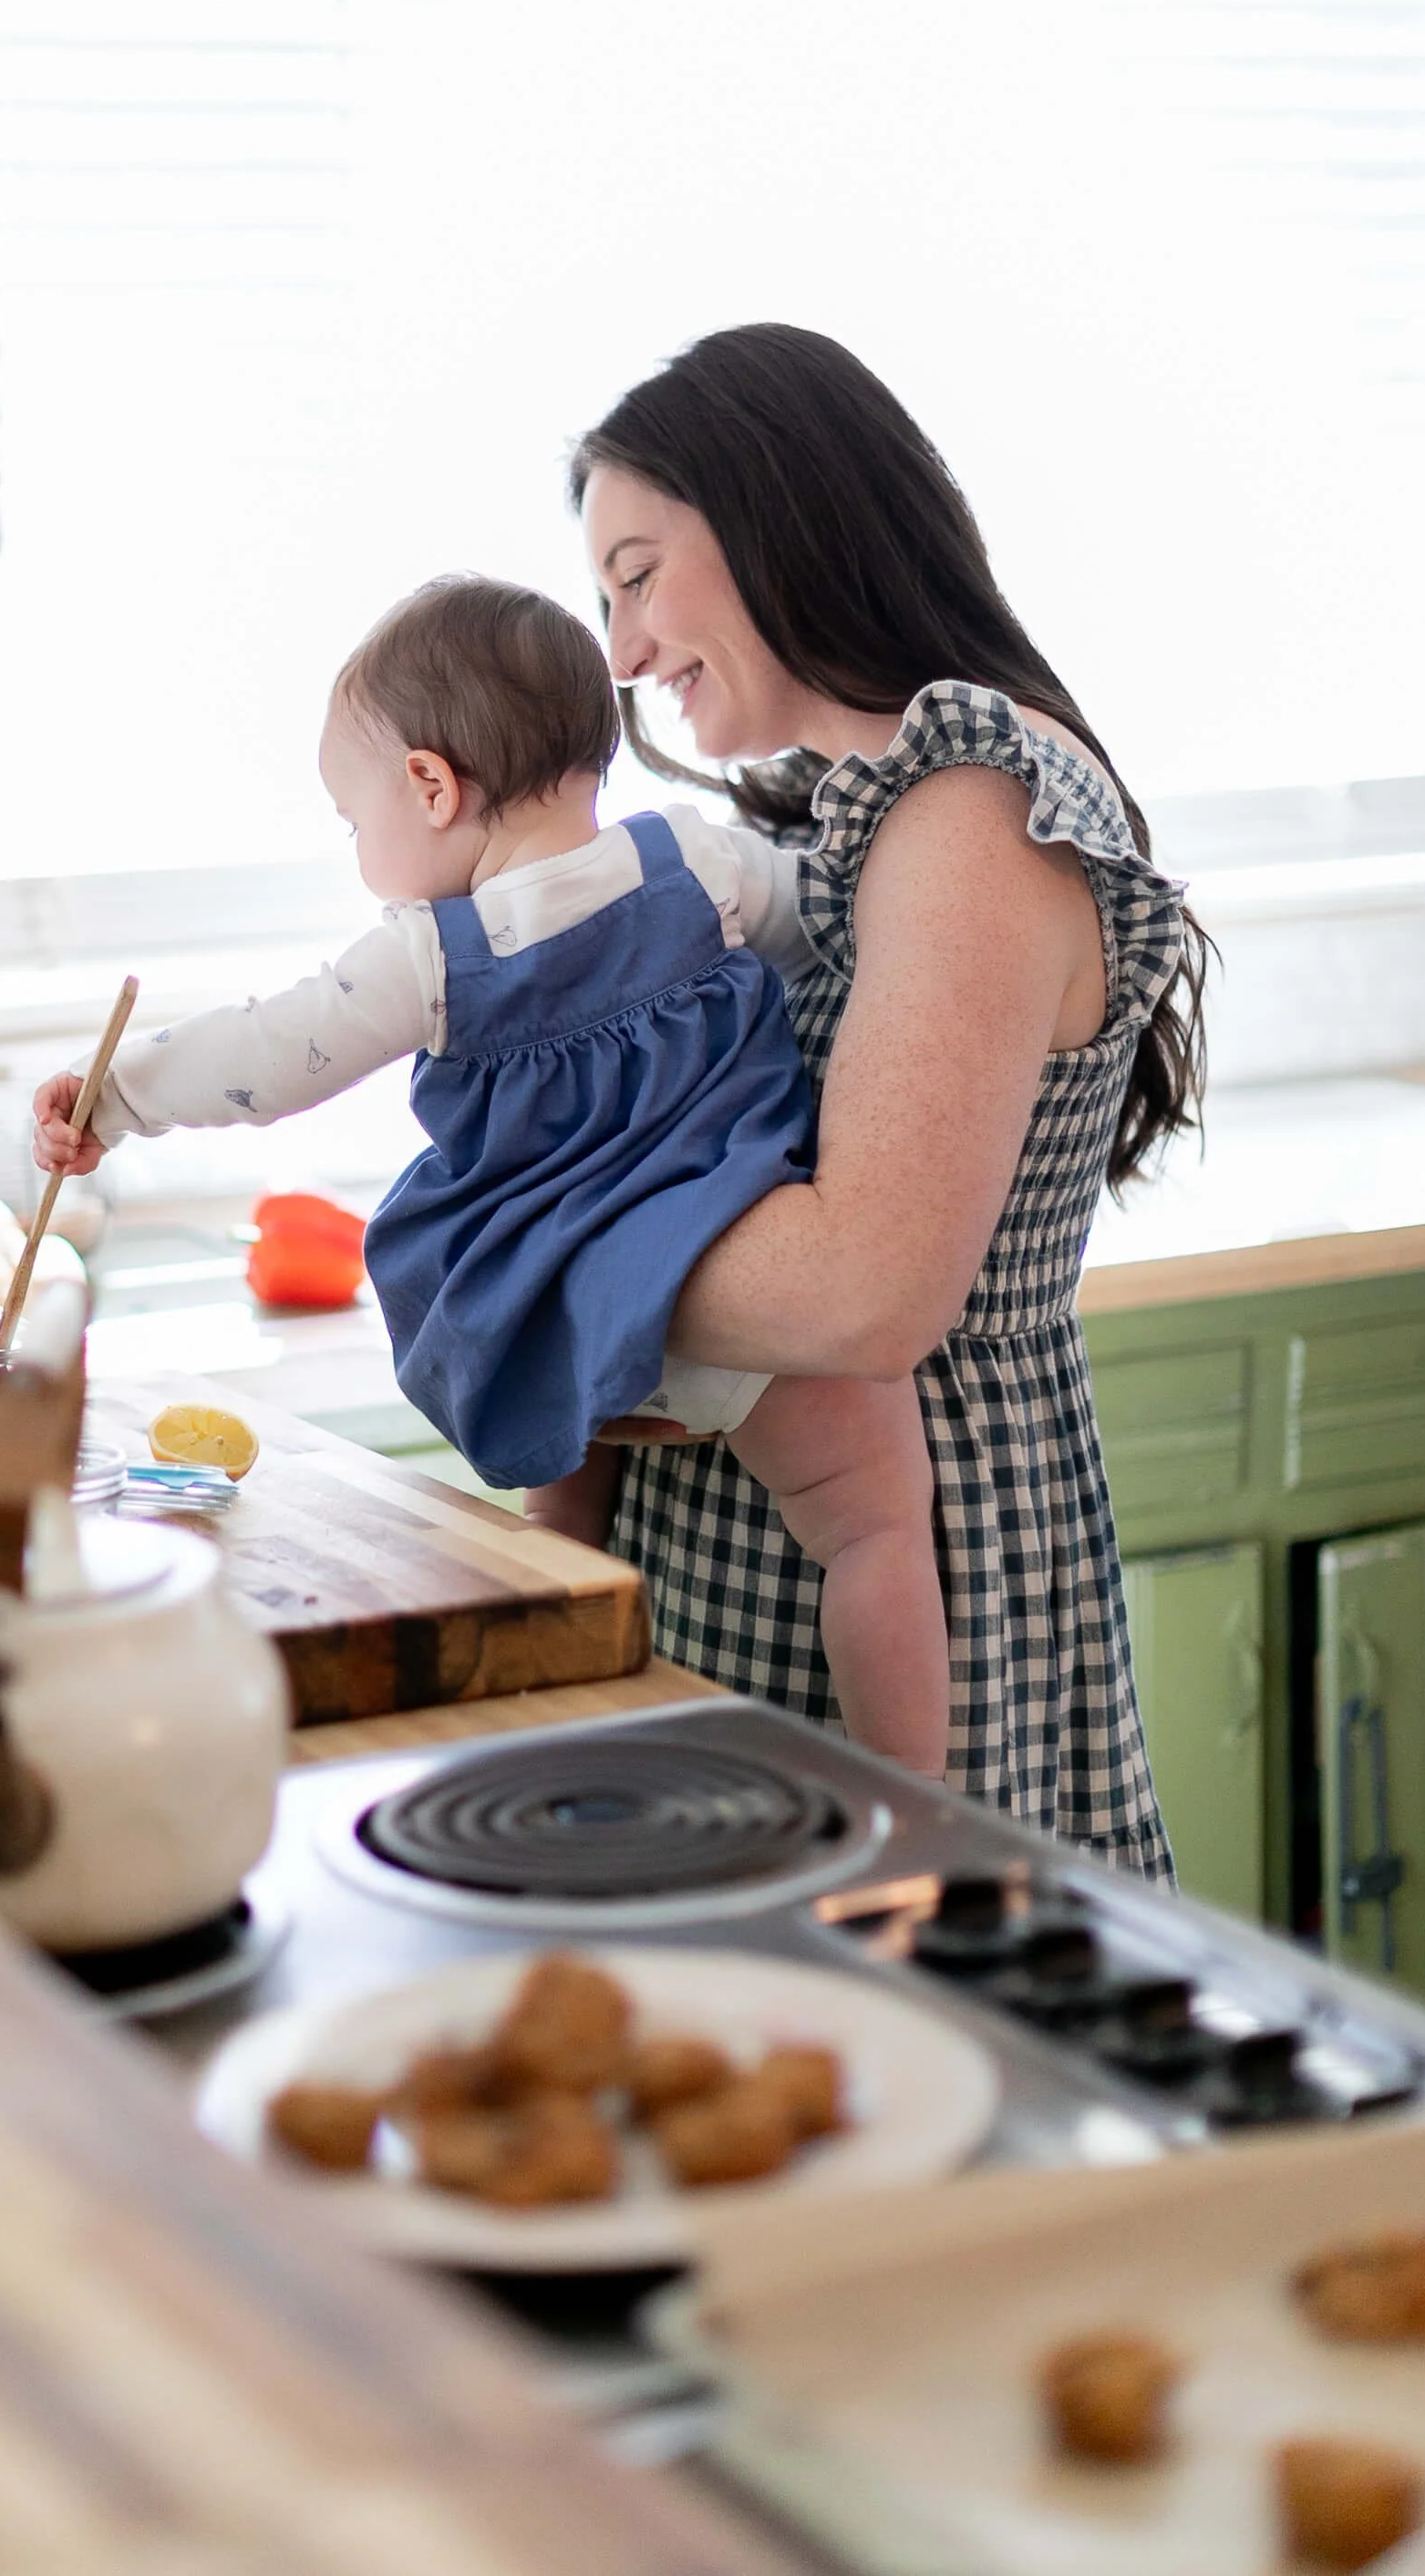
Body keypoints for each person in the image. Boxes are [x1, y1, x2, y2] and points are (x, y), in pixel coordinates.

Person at [31, 574, 950, 1772]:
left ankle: (573, 1743)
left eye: (353, 821)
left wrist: (118, 1095)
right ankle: (916, 1798)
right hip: (744, 1268)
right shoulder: (698, 864)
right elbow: (842, 915)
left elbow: (268, 1055)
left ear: (430, 784)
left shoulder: (431, 959)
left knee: (562, 1528)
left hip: (561, 1299)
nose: (362, 852)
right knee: (877, 1530)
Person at [563, 325, 1208, 1876]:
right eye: (605, 599)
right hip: (774, 1538)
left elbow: (866, 1294)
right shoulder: (851, 816)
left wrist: (545, 1249)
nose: (625, 650)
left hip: (927, 1553)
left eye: (640, 575)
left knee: (925, 2050)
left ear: (779, 508)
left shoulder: (974, 808)